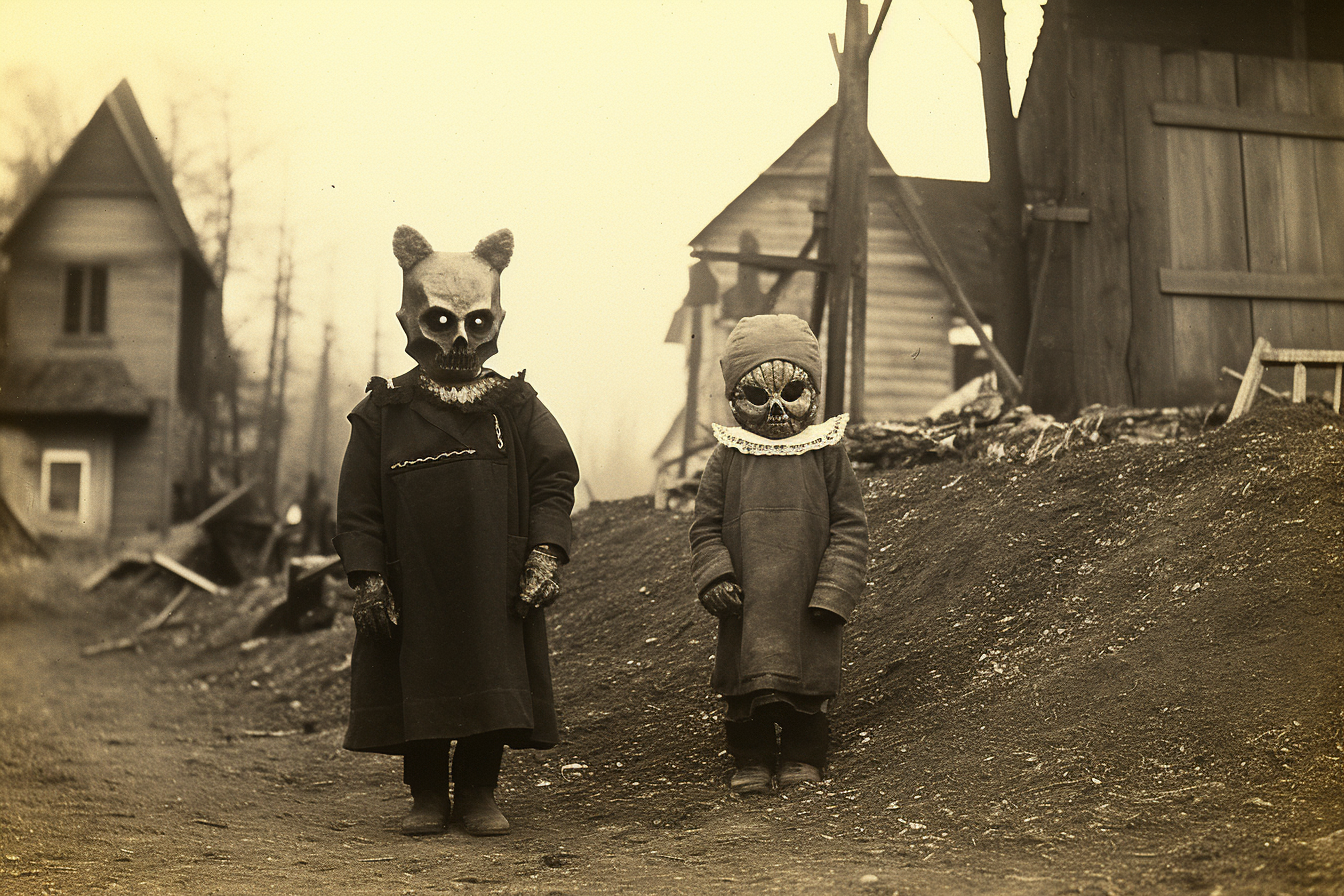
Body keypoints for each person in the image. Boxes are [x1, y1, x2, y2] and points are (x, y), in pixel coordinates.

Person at [334, 225, 579, 836]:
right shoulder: (383, 412)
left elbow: (555, 477)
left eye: (476, 323)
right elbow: (357, 504)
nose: (460, 340)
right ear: (410, 321)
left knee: (490, 679)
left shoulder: (515, 405)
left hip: (493, 578)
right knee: (417, 679)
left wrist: (546, 552)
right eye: (442, 322)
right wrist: (366, 579)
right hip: (411, 578)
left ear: (498, 320)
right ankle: (425, 796)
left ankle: (476, 793)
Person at [689, 313, 868, 794]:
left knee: (807, 687)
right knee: (746, 686)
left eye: (790, 394)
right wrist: (715, 577)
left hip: (807, 598)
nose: (775, 411)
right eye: (756, 396)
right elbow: (704, 526)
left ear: (811, 395)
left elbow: (851, 525)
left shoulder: (827, 453)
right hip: (746, 599)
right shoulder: (729, 457)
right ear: (733, 400)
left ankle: (801, 756)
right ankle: (751, 759)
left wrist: (835, 590)